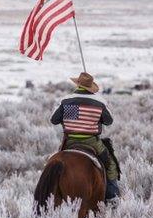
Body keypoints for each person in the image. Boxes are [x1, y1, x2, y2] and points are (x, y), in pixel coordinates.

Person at [50, 72, 120, 203]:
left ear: (78, 84)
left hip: (69, 142)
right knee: (110, 165)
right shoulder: (99, 102)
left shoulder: (66, 101)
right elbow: (109, 121)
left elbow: (53, 120)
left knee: (52, 163)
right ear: (90, 86)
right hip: (92, 142)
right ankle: (112, 197)